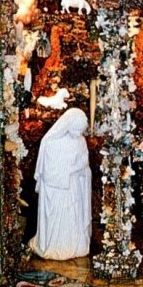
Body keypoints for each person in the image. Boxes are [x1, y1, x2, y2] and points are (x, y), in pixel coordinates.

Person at [29, 108, 92, 260]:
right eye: (76, 129)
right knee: (58, 217)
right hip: (57, 189)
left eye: (80, 130)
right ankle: (56, 245)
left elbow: (84, 161)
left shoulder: (80, 140)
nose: (78, 133)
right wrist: (69, 171)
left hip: (74, 187)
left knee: (73, 217)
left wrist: (77, 168)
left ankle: (74, 245)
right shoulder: (51, 142)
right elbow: (50, 170)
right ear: (68, 125)